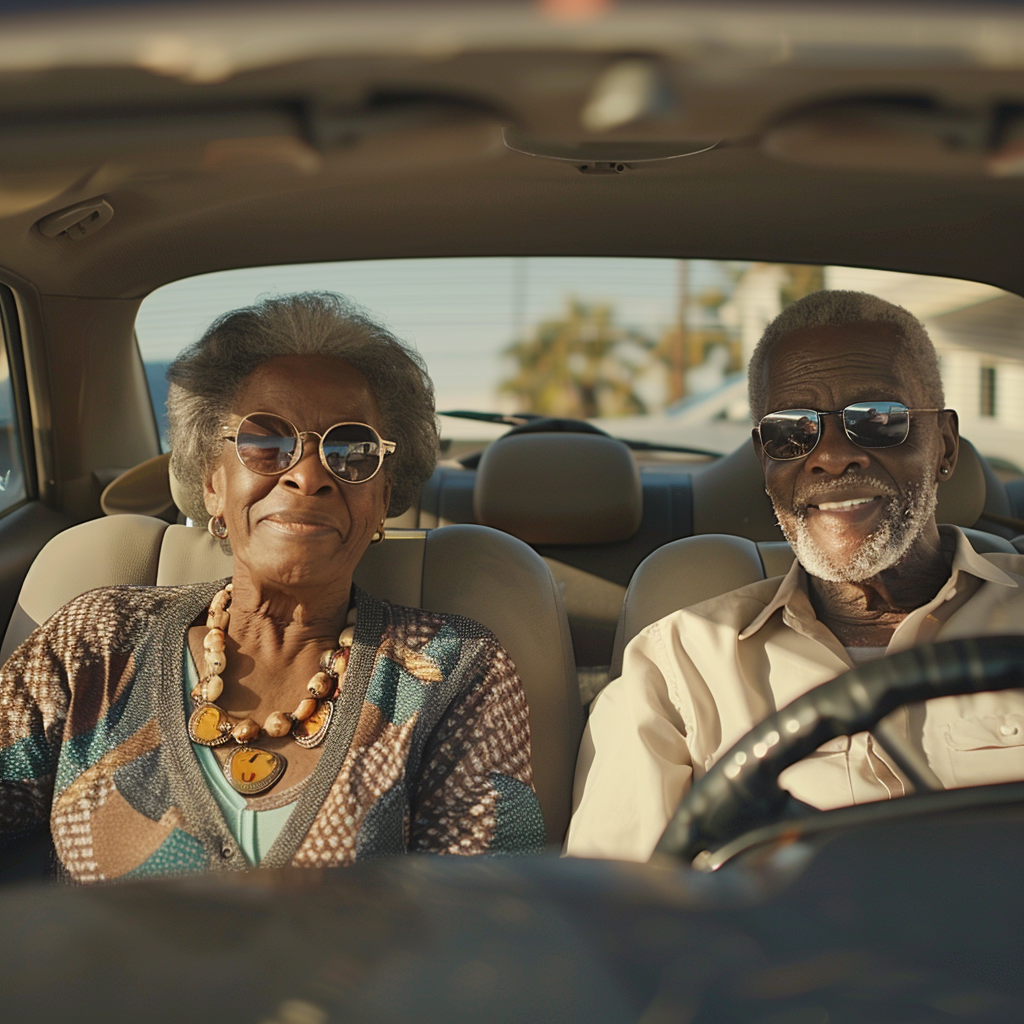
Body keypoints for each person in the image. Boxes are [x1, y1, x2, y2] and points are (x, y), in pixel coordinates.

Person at [0, 292, 545, 881]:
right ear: (212, 483)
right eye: (266, 440)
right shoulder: (95, 638)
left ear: (383, 498)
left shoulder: (455, 670)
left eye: (351, 450)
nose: (308, 476)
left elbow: (485, 918)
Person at [567, 289, 1024, 862]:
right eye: (791, 431)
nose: (831, 456)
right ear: (766, 461)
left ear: (945, 447)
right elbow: (617, 912)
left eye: (877, 421)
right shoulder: (678, 667)